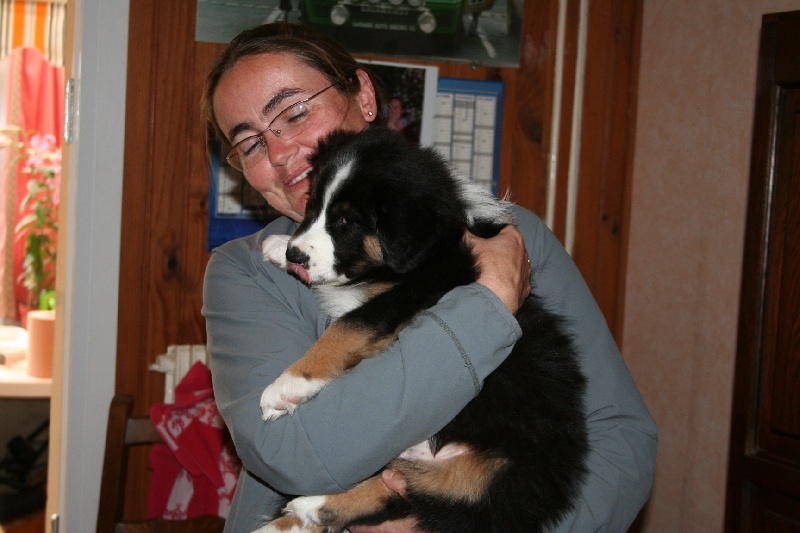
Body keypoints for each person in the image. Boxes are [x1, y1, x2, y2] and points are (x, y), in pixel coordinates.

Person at [202, 22, 657, 533]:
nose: (280, 151)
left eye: (294, 112)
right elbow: (293, 453)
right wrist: (490, 299)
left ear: (364, 96)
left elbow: (621, 439)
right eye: (250, 144)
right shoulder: (242, 272)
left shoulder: (509, 237)